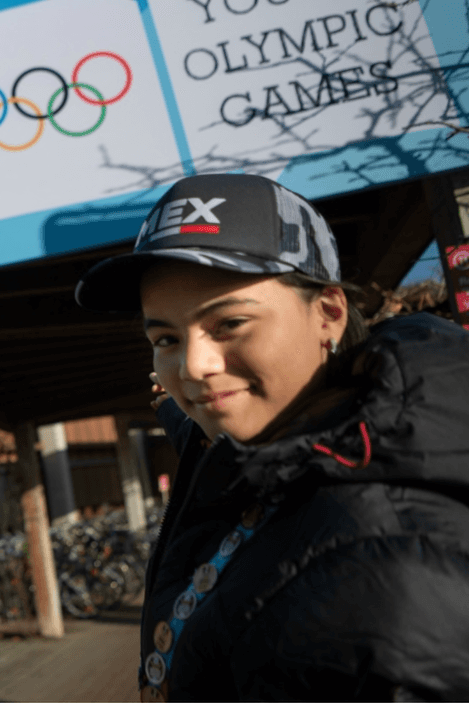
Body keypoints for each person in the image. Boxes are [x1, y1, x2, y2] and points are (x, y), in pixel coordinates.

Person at [75, 174, 469, 701]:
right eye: (166, 338)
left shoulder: (389, 558)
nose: (193, 366)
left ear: (328, 313)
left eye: (231, 322)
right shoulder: (253, 452)